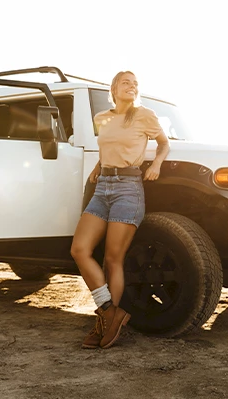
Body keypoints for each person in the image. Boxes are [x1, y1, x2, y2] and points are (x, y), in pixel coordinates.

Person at [70, 71, 170, 349]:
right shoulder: (103, 117)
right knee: (79, 249)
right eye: (126, 82)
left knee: (113, 258)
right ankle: (109, 313)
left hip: (128, 187)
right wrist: (98, 167)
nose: (132, 85)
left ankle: (104, 323)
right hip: (103, 188)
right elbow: (106, 147)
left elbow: (164, 143)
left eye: (135, 83)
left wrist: (157, 164)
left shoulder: (144, 114)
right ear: (113, 88)